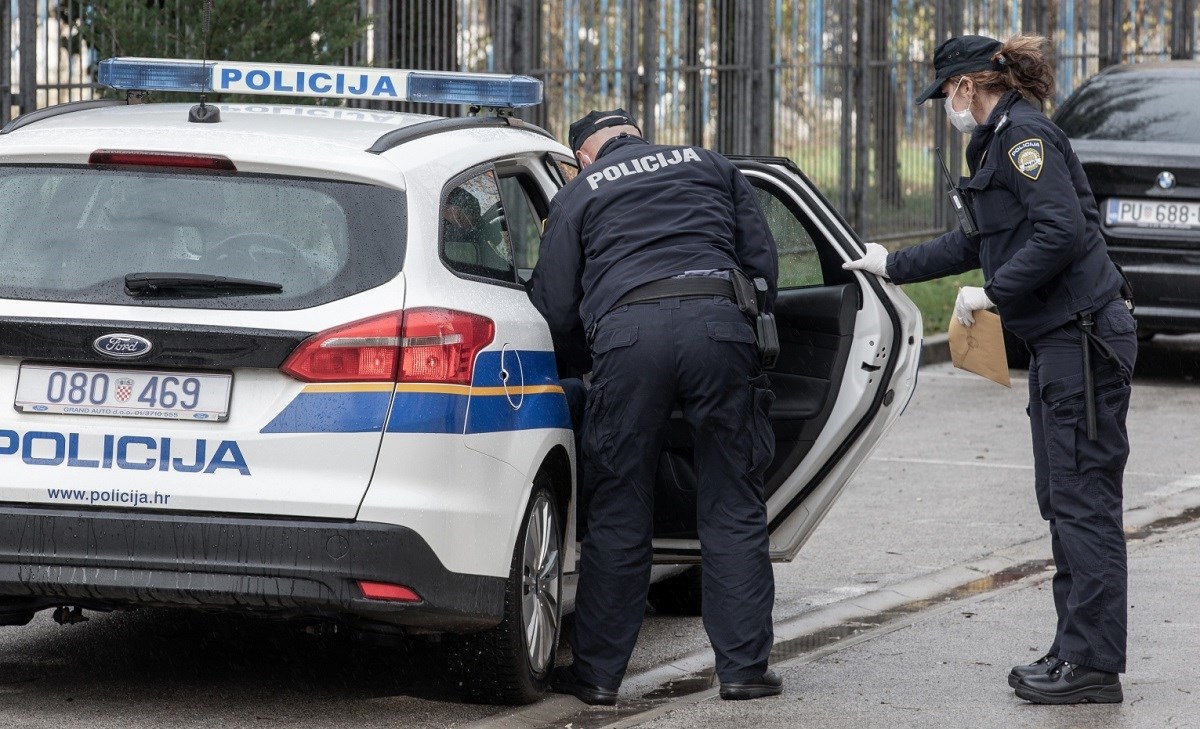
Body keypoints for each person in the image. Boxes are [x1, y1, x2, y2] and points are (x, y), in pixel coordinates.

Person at [845, 34, 1136, 705]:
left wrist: (996, 291)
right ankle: (1074, 649)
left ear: (969, 87)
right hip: (1067, 342)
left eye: (947, 93)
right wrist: (893, 264)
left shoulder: (1022, 137)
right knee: (1064, 500)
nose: (947, 105)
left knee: (1082, 502)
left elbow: (1060, 231)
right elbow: (976, 238)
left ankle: (1092, 664)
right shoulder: (1000, 141)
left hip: (1083, 340)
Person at [529, 109, 781, 705]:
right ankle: (744, 670)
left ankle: (596, 678)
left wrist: (583, 363)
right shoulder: (709, 164)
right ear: (638, 135)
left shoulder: (580, 190)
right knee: (733, 501)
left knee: (619, 506)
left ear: (584, 156)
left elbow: (555, 303)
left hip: (628, 336)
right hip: (720, 325)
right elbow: (762, 263)